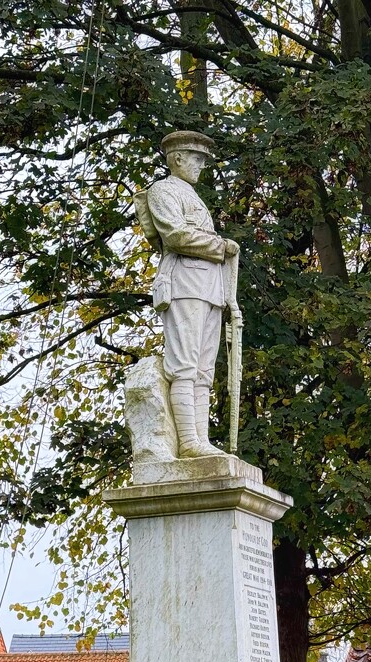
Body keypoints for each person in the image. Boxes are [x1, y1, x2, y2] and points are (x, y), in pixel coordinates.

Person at [135, 130, 239, 457]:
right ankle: (189, 443)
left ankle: (200, 441)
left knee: (204, 371)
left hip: (210, 288)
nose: (200, 167)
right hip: (184, 283)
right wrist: (220, 246)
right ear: (177, 158)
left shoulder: (194, 196)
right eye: (196, 159)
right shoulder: (163, 190)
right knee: (185, 365)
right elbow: (177, 236)